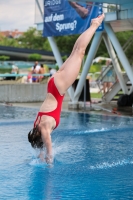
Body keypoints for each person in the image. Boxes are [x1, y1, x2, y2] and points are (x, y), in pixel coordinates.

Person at [28, 14, 105, 164]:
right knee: (75, 51)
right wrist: (40, 155)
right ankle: (93, 25)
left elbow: (49, 154)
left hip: (59, 87)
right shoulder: (37, 125)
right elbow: (42, 148)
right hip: (53, 84)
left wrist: (48, 167)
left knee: (80, 52)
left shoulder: (43, 129)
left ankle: (95, 25)